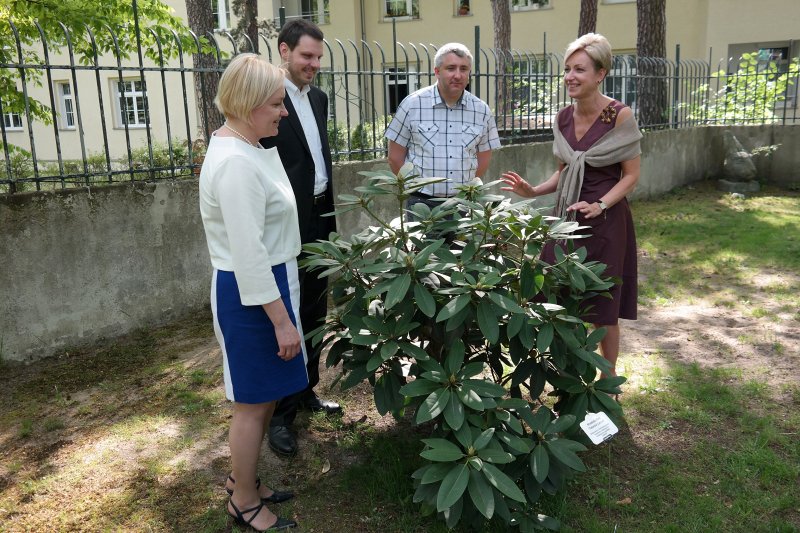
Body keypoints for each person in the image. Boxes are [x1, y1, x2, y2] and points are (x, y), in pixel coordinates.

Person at [199, 53, 302, 532]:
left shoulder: (251, 145)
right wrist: (281, 320)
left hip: (266, 283)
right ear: (247, 103)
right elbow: (249, 254)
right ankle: (243, 499)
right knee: (252, 402)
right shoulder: (236, 163)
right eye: (276, 104)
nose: (283, 112)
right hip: (252, 291)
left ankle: (247, 479)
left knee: (262, 398)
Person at [500, 33, 642, 379]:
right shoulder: (563, 118)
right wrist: (533, 191)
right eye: (567, 70)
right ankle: (573, 374)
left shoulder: (619, 116)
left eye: (580, 69)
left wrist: (600, 204)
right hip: (566, 221)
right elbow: (563, 173)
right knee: (562, 298)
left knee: (604, 308)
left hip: (606, 222)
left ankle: (608, 383)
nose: (570, 77)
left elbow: (631, 176)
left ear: (600, 74)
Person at [260, 19, 341, 458]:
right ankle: (279, 416)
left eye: (318, 57)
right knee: (287, 310)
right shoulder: (266, 98)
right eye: (307, 56)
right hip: (286, 221)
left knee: (315, 306)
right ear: (284, 51)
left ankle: (307, 389)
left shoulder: (320, 98)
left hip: (321, 212)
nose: (313, 64)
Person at [385, 42, 500, 211]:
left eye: (464, 69)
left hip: (463, 204)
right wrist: (415, 190)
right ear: (437, 71)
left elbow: (483, 159)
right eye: (451, 68)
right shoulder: (412, 105)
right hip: (421, 204)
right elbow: (394, 158)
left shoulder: (481, 110)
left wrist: (461, 190)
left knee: (462, 240)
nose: (458, 75)